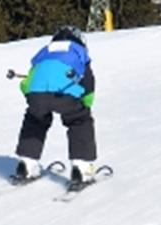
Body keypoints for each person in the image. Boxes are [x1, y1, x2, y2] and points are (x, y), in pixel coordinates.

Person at [13, 25, 98, 186]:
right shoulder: (78, 51)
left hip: (36, 94)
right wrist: (86, 103)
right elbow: (88, 83)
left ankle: (27, 164)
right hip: (65, 93)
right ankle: (82, 168)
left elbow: (26, 83)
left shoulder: (45, 52)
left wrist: (33, 98)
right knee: (79, 120)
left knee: (35, 119)